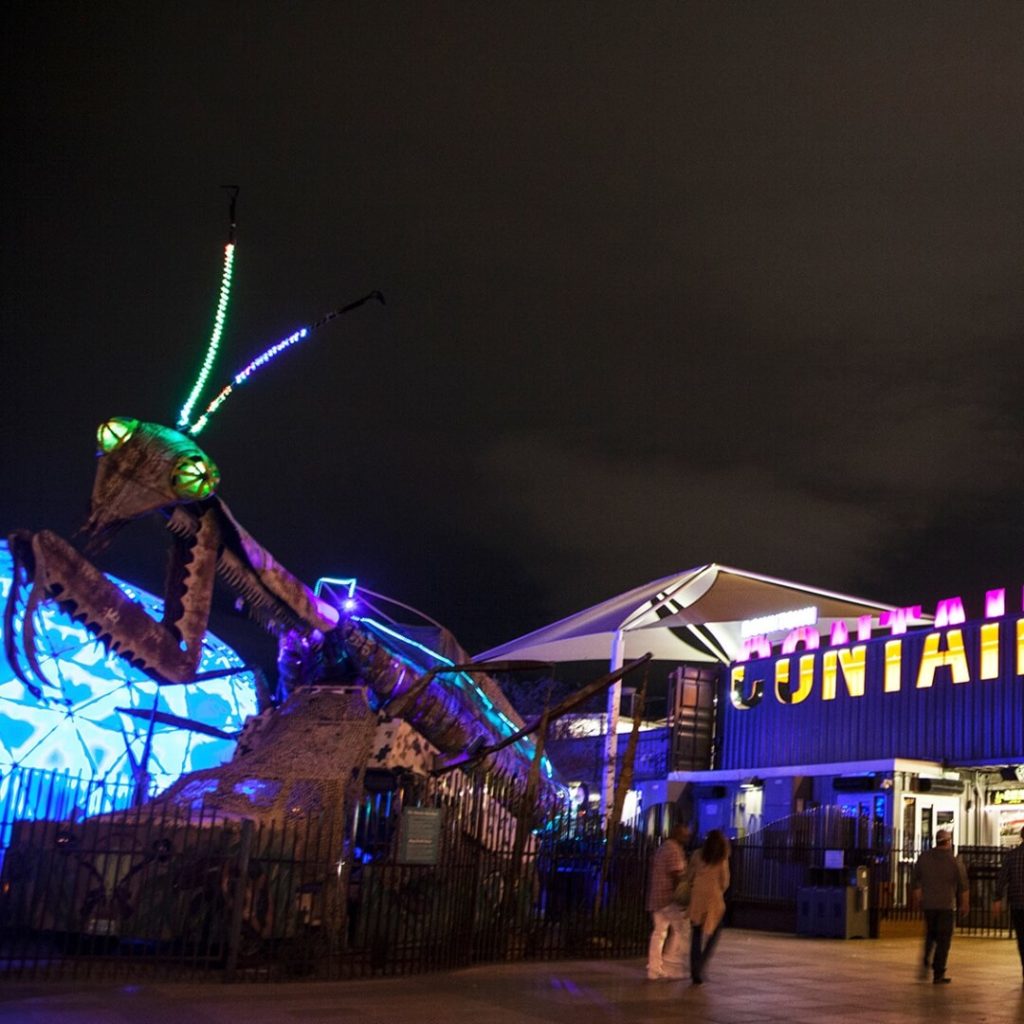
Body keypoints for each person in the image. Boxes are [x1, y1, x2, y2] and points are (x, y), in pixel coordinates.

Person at [910, 828, 969, 984]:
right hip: (946, 906)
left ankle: (926, 958)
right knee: (944, 940)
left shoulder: (924, 858)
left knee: (931, 934)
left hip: (929, 905)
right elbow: (963, 886)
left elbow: (915, 880)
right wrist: (964, 904)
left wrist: (917, 898)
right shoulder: (955, 861)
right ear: (948, 842)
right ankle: (938, 972)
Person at [645, 822, 690, 980]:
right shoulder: (674, 849)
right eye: (685, 834)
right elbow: (676, 873)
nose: (687, 837)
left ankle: (654, 968)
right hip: (669, 898)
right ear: (678, 834)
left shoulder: (663, 848)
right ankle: (671, 963)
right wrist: (684, 892)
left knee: (659, 932)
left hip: (656, 897)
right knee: (681, 930)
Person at [687, 829, 730, 984]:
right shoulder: (721, 858)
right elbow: (724, 881)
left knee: (696, 933)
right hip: (713, 898)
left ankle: (694, 969)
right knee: (715, 931)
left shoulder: (697, 855)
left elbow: (689, 875)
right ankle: (701, 965)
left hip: (697, 897)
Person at [992, 824, 1024, 984]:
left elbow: (1002, 878)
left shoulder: (1011, 856)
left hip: (1018, 904)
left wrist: (997, 899)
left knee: (1022, 939)